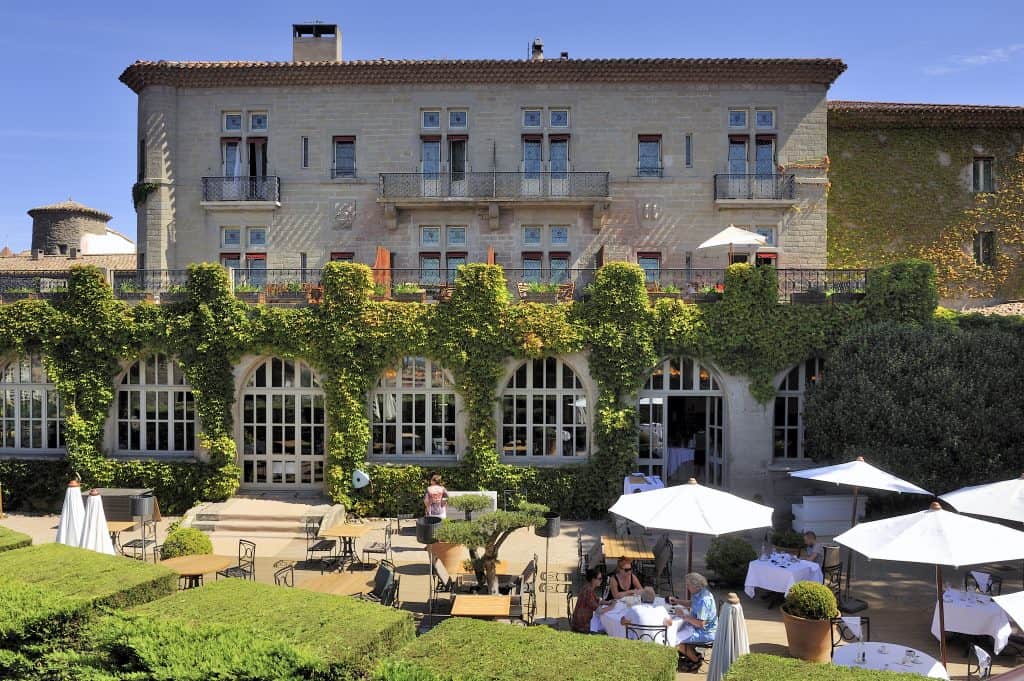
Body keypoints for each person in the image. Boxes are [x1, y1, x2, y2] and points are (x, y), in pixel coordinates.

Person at [670, 572, 717, 671]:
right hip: (699, 628)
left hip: (705, 632)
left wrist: (683, 616)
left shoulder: (704, 600)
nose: (687, 587)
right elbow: (692, 603)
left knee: (673, 639)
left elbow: (701, 624)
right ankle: (694, 654)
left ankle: (695, 661)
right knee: (678, 632)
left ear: (695, 585)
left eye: (688, 585)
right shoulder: (701, 592)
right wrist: (678, 601)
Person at [571, 567, 609, 633]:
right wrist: (612, 606)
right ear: (593, 580)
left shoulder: (588, 587)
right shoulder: (588, 591)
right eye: (599, 578)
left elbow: (597, 599)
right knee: (606, 626)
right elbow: (599, 611)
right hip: (583, 624)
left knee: (602, 620)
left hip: (580, 619)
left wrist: (608, 602)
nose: (601, 580)